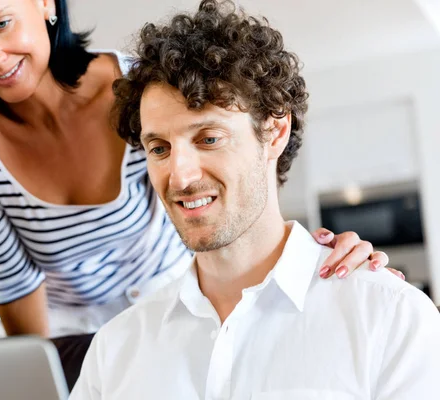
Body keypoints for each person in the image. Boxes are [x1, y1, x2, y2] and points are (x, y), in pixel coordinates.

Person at [0, 0, 395, 388]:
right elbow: (12, 277)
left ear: (45, 3)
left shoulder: (139, 87)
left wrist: (306, 265)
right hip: (70, 329)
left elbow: (219, 191)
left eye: (2, 23)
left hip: (179, 296)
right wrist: (44, 375)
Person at [70, 1, 440, 398]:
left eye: (208, 139)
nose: (179, 175)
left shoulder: (388, 317)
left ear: (275, 133)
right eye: (159, 148)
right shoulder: (114, 351)